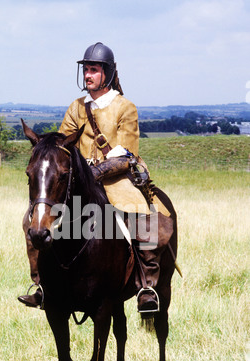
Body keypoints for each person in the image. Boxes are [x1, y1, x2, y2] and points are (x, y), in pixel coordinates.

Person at [18, 42, 169, 318]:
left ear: (108, 73)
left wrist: (94, 172)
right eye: (86, 70)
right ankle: (42, 284)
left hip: (116, 178)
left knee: (142, 215)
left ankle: (147, 285)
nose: (88, 75)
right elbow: (63, 147)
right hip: (78, 180)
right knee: (33, 219)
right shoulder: (77, 107)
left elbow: (127, 154)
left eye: (94, 70)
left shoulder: (125, 108)